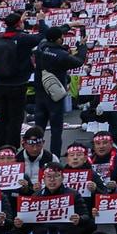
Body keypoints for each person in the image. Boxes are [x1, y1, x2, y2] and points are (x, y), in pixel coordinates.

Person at [11, 163, 89, 234]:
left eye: (56, 176)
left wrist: (79, 219)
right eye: (48, 176)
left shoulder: (73, 194)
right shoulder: (35, 196)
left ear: (62, 178)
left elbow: (86, 216)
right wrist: (19, 224)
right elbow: (26, 226)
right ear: (43, 179)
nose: (52, 180)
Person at [0, 13, 43, 150]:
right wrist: (41, 20)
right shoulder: (22, 38)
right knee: (15, 118)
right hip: (17, 84)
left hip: (0, 83)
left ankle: (0, 149)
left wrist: (19, 24)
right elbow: (42, 36)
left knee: (2, 118)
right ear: (19, 24)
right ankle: (12, 148)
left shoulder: (0, 37)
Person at [33, 26, 84, 155]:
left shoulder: (41, 47)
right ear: (58, 39)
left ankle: (34, 153)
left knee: (38, 129)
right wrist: (82, 47)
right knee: (56, 130)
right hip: (55, 95)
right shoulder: (61, 55)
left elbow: (49, 33)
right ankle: (54, 156)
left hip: (40, 93)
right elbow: (78, 62)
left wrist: (69, 25)